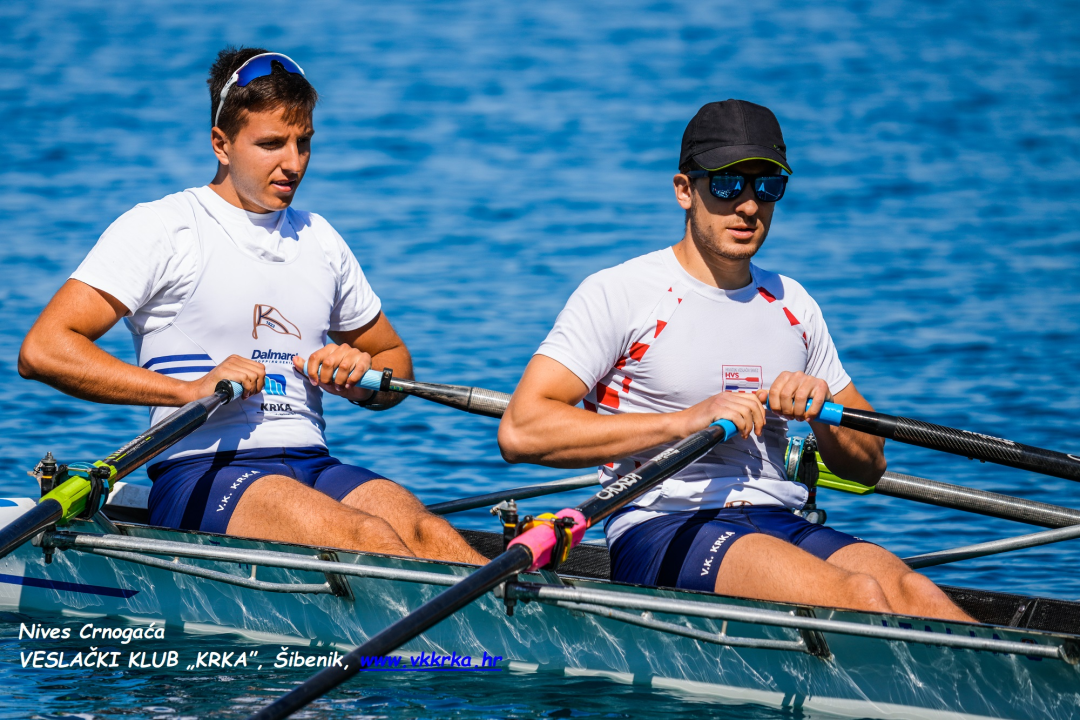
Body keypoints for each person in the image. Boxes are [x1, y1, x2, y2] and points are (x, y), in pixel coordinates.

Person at [498, 100, 973, 620]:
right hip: (663, 525)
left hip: (782, 516)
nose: (749, 205)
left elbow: (869, 465)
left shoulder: (793, 304)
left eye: (767, 186)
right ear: (685, 191)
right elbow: (523, 431)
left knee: (920, 598)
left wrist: (823, 417)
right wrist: (686, 421)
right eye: (727, 185)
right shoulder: (621, 293)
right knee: (859, 598)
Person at [18, 47, 487, 566]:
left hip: (312, 462)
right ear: (221, 144)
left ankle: (485, 650)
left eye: (304, 143)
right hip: (203, 471)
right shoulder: (165, 227)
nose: (294, 163)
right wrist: (187, 390)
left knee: (432, 538)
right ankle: (431, 652)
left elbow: (394, 358)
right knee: (366, 537)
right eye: (271, 145)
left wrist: (362, 378)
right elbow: (45, 349)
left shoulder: (320, 238)